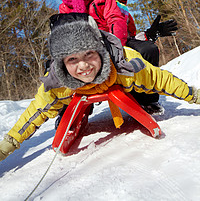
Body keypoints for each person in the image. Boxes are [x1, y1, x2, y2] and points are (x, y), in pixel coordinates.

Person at [0, 12, 199, 162]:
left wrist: (193, 95)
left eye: (89, 54)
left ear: (100, 51)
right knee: (54, 106)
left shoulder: (124, 65)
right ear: (62, 63)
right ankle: (66, 114)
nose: (83, 65)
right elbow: (34, 113)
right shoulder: (57, 84)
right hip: (74, 93)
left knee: (144, 80)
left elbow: (161, 79)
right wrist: (6, 146)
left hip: (118, 80)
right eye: (72, 59)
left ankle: (144, 101)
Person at [101, 0, 178, 113]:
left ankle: (146, 99)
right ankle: (67, 112)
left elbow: (131, 36)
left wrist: (149, 35)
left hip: (123, 43)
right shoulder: (96, 2)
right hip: (101, 45)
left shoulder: (124, 11)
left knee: (149, 49)